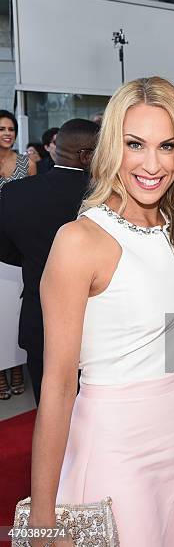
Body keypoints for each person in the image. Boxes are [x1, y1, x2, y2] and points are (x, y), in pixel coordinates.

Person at [28, 77, 174, 547]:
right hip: (116, 445)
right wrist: (43, 522)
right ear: (111, 149)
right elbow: (59, 384)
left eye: (167, 146)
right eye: (135, 144)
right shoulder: (80, 241)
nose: (152, 163)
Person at [0, 119, 99, 405]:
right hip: (95, 321)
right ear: (86, 156)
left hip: (39, 316)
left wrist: (37, 261)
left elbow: (5, 250)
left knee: (48, 408)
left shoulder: (16, 193)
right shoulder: (105, 197)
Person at [0, 109, 36, 400]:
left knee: (14, 311)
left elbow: (30, 208)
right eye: (1, 128)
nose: (7, 133)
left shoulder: (27, 163)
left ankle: (14, 368)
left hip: (18, 246)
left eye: (10, 128)